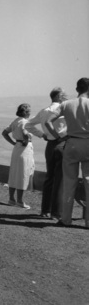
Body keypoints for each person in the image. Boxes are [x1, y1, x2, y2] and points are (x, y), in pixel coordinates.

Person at [46, 78, 89, 228]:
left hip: (71, 143)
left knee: (69, 182)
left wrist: (57, 136)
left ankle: (65, 219)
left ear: (77, 90)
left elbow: (47, 121)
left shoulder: (66, 104)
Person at [25, 87, 68, 219]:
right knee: (60, 179)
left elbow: (28, 125)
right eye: (63, 94)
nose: (66, 96)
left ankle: (45, 210)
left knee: (50, 178)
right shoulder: (64, 110)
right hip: (62, 144)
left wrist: (42, 135)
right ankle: (56, 213)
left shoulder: (44, 111)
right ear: (58, 97)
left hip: (50, 145)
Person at [2, 104, 35, 209]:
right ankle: (20, 201)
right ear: (25, 112)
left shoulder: (16, 121)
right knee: (23, 174)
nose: (30, 113)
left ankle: (11, 199)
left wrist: (13, 143)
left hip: (16, 148)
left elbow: (4, 133)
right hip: (24, 149)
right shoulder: (25, 122)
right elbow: (25, 133)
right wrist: (25, 140)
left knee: (14, 173)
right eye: (29, 111)